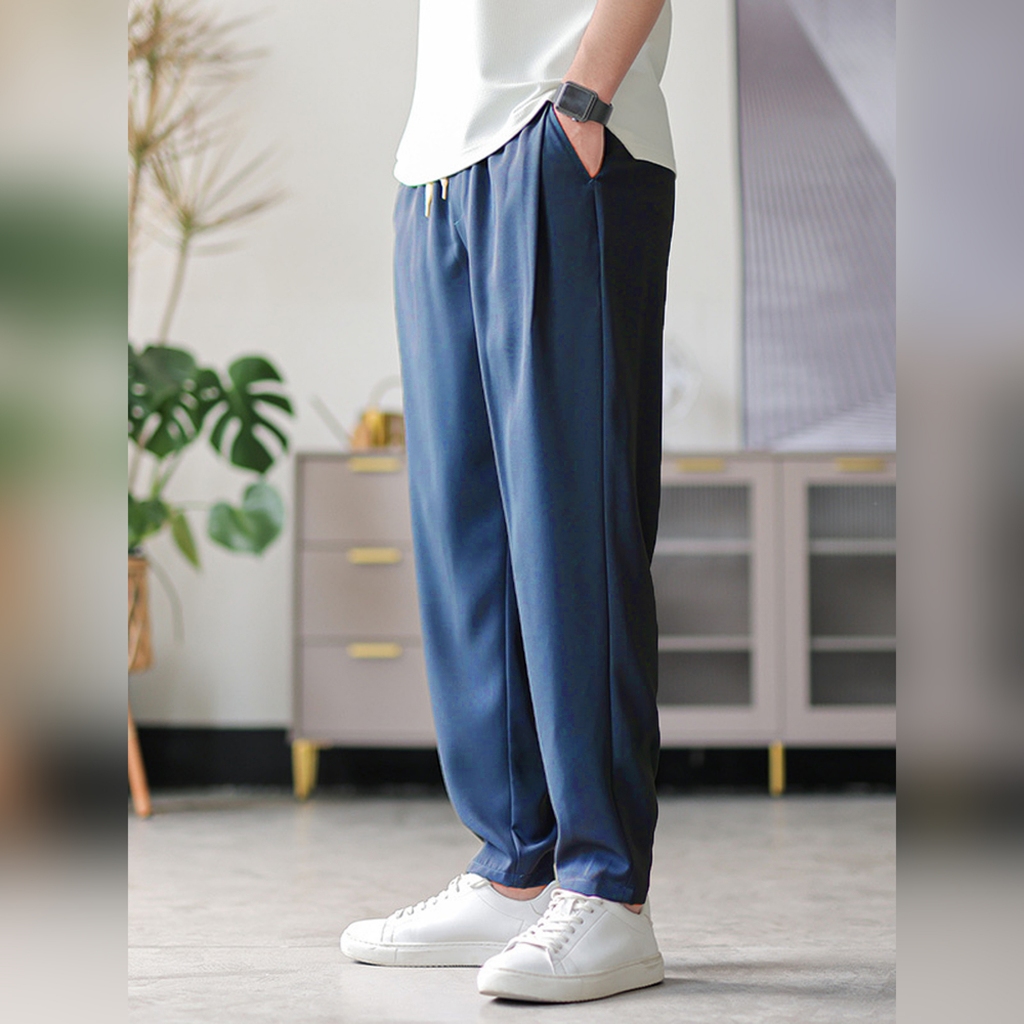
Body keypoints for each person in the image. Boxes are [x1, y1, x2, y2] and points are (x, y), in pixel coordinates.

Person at [341, 0, 676, 1003]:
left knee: (571, 527)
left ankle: (608, 888)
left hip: (559, 127)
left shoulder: (573, 121)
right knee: (467, 539)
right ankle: (512, 864)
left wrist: (585, 102)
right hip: (437, 163)